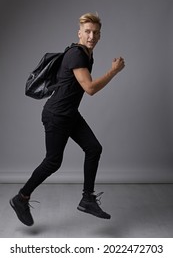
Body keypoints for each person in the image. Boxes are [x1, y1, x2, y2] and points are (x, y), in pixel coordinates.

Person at [10, 13, 125, 226]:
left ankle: (87, 199)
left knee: (94, 148)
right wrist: (113, 71)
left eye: (95, 33)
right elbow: (89, 88)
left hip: (69, 113)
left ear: (100, 36)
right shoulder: (76, 54)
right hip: (56, 115)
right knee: (53, 161)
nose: (91, 36)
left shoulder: (87, 54)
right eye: (87, 32)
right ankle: (21, 198)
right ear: (79, 33)